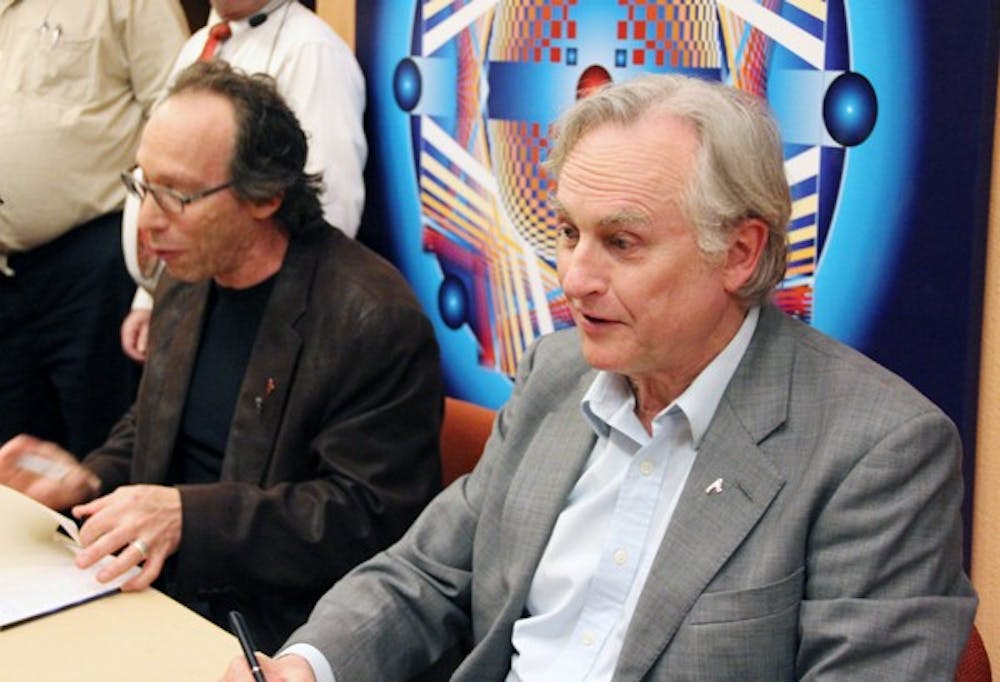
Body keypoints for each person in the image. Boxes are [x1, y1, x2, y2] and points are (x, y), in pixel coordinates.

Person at [221, 74, 977, 681]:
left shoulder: (878, 450)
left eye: (621, 241)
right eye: (569, 233)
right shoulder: (557, 374)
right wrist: (306, 667)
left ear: (740, 253)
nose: (574, 279)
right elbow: (425, 575)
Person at [0, 60, 443, 655]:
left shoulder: (372, 317)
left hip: (273, 628)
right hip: (156, 592)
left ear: (265, 197)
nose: (149, 222)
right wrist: (90, 476)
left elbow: (367, 518)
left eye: (178, 195)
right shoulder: (190, 272)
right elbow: (153, 422)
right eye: (142, 186)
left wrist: (189, 517)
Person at [121, 0, 366, 362]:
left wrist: (277, 328)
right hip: (195, 300)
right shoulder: (200, 44)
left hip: (265, 320)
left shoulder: (312, 50)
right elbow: (162, 170)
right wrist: (151, 296)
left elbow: (329, 209)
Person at [0, 0, 188, 455]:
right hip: (7, 280)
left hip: (95, 263)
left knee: (102, 452)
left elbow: (179, 116)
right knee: (17, 465)